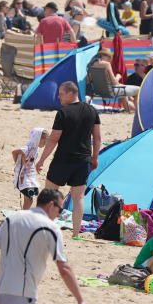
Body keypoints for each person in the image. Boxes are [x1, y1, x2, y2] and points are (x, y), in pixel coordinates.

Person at [34, 81, 101, 235]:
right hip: (83, 161)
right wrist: (95, 158)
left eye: (61, 94)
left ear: (71, 94)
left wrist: (42, 160)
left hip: (62, 160)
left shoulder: (63, 113)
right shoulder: (92, 111)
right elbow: (97, 138)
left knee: (49, 193)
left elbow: (53, 139)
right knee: (78, 199)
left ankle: (43, 227)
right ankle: (76, 233)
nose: (58, 97)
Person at [12, 127, 46, 210]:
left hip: (30, 176)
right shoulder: (28, 148)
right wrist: (17, 164)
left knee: (29, 197)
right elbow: (14, 152)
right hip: (24, 177)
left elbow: (31, 161)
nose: (45, 143)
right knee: (29, 198)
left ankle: (24, 213)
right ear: (38, 139)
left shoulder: (36, 148)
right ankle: (24, 215)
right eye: (44, 141)